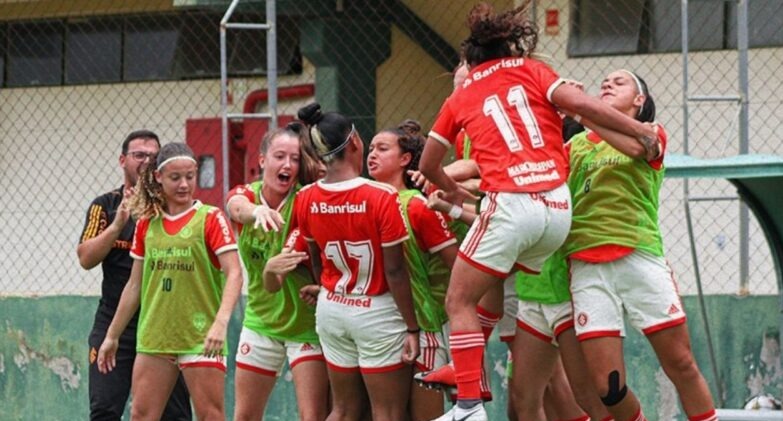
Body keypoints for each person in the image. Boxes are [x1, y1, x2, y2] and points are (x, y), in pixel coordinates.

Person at [417, 3, 660, 420]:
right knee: (530, 375)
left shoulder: (465, 95)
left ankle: (470, 404)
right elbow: (582, 106)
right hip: (555, 211)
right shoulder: (533, 72)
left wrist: (451, 189)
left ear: (472, 64)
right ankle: (466, 370)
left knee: (460, 299)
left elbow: (427, 166)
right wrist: (640, 130)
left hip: (514, 210)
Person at [565, 70, 718, 421]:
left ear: (640, 100)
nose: (606, 83)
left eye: (619, 81)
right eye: (603, 81)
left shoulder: (652, 132)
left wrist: (580, 110)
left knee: (680, 363)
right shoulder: (575, 146)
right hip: (587, 267)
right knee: (609, 387)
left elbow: (639, 147)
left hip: (639, 256)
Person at [96, 142, 244, 421]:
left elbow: (235, 273)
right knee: (141, 414)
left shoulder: (210, 218)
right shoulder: (146, 224)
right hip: (156, 336)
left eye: (190, 176)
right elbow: (134, 285)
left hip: (201, 337)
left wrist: (221, 322)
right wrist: (112, 336)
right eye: (176, 178)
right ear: (158, 178)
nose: (184, 184)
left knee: (211, 415)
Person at [293, 103, 420, 421]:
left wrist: (326, 288)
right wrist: (413, 327)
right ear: (354, 143)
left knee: (344, 410)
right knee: (387, 412)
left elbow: (316, 259)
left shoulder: (305, 197)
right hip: (376, 311)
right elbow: (394, 270)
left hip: (333, 308)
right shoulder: (381, 196)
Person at [77, 130, 191, 421]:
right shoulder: (105, 205)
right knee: (104, 410)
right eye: (139, 155)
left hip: (162, 324)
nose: (145, 161)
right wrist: (117, 225)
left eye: (153, 156)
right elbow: (86, 258)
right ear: (123, 159)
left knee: (174, 415)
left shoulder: (173, 209)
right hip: (114, 323)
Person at [225, 122, 329, 421]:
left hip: (305, 325)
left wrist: (271, 269)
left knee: (312, 416)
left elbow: (274, 281)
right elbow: (235, 205)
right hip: (261, 322)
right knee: (244, 416)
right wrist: (256, 211)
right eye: (279, 156)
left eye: (295, 159)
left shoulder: (303, 202)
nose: (287, 164)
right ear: (262, 160)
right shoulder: (247, 194)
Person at [367, 120, 459, 421]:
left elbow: (456, 265)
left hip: (426, 326)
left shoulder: (417, 206)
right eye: (370, 148)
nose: (372, 155)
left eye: (382, 149)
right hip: (380, 324)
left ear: (405, 159)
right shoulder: (365, 202)